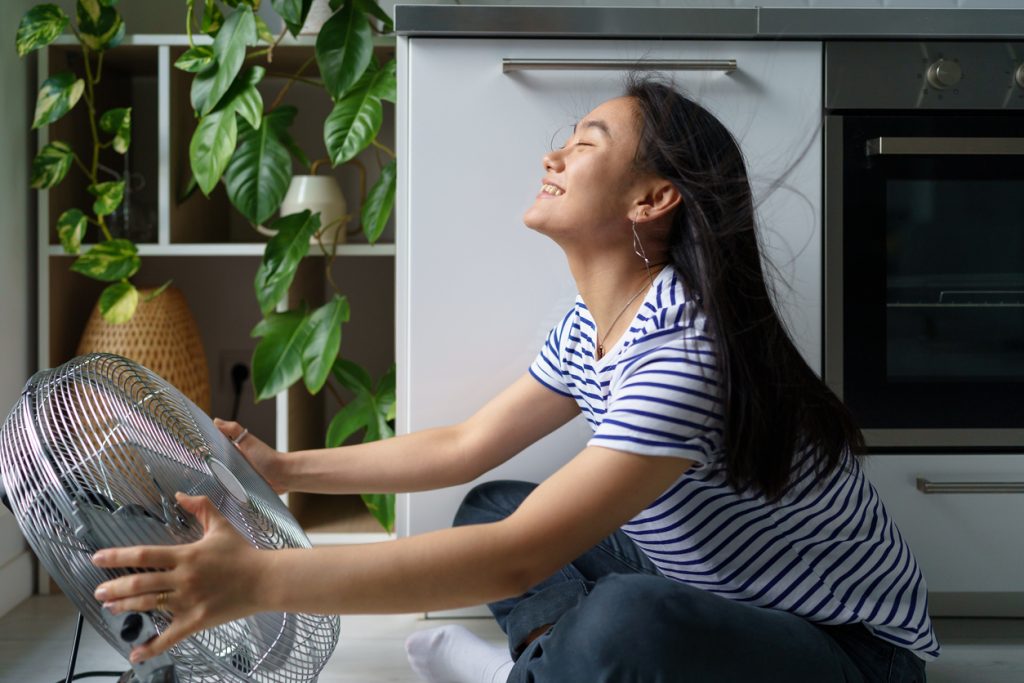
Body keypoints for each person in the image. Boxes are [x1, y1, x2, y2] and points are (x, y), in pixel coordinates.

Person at [92, 76, 938, 682]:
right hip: (707, 586)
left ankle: (521, 673)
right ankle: (547, 665)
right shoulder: (596, 325)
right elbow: (464, 446)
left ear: (651, 200)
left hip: (848, 650)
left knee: (616, 611)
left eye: (585, 142)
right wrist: (286, 468)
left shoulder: (685, 354)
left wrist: (259, 578)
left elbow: (517, 560)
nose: (554, 152)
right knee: (493, 501)